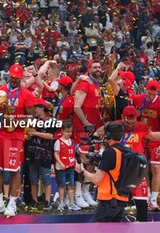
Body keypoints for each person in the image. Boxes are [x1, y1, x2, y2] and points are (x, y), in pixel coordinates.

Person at [95, 106, 160, 221]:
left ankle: (142, 225)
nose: (130, 125)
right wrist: (100, 148)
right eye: (127, 122)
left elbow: (153, 136)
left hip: (135, 168)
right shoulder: (114, 126)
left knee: (142, 203)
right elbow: (97, 132)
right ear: (122, 117)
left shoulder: (141, 126)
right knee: (114, 203)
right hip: (118, 168)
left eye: (133, 123)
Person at [0, 64, 35, 216]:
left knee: (14, 170)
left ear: (21, 77)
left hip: (15, 137)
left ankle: (13, 203)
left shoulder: (27, 94)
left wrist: (14, 121)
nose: (14, 80)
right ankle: (0, 202)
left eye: (16, 78)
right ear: (8, 76)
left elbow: (30, 117)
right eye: (12, 77)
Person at [75, 121, 128, 222]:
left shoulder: (110, 152)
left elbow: (96, 180)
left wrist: (81, 170)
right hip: (122, 200)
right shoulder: (124, 151)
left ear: (108, 135)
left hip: (109, 201)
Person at [132, 80, 160, 210]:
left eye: (153, 94)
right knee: (143, 167)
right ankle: (146, 195)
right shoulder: (137, 99)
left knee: (155, 168)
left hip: (155, 138)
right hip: (140, 138)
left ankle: (154, 199)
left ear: (158, 92)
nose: (150, 96)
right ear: (144, 90)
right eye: (149, 93)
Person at [72, 60, 103, 208]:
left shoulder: (96, 84)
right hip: (84, 129)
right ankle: (78, 193)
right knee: (83, 161)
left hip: (95, 130)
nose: (98, 69)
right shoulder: (85, 83)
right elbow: (77, 106)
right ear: (89, 69)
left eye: (99, 67)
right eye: (95, 67)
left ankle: (86, 191)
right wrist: (86, 123)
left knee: (91, 161)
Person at [26, 97, 55, 210]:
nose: (34, 110)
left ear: (42, 108)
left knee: (46, 179)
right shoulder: (31, 121)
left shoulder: (50, 121)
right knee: (33, 179)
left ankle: (47, 201)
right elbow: (28, 135)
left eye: (36, 108)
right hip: (32, 154)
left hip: (45, 154)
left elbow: (50, 136)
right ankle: (34, 200)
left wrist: (35, 133)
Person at [54, 121, 81, 211]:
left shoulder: (72, 142)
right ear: (62, 131)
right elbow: (56, 154)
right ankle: (61, 202)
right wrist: (60, 163)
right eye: (67, 131)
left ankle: (71, 203)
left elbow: (73, 154)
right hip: (61, 168)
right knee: (62, 186)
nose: (69, 133)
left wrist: (76, 163)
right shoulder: (58, 142)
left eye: (70, 131)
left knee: (71, 185)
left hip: (71, 167)